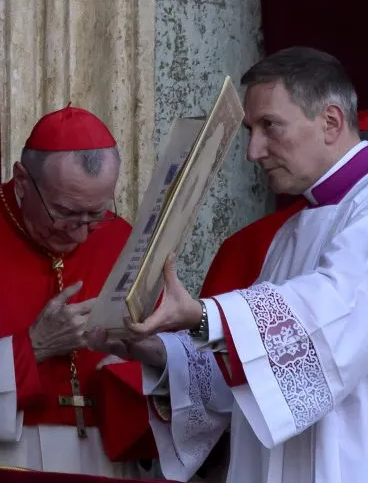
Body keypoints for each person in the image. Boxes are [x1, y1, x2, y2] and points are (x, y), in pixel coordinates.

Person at [112, 47, 368, 483]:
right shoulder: (293, 230)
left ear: (330, 122)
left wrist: (202, 313)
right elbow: (265, 370)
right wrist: (151, 347)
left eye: (270, 126)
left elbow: (330, 317)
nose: (253, 151)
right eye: (251, 129)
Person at [0, 106, 154, 477]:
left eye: (95, 214)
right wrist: (35, 346)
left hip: (105, 459)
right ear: (22, 181)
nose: (80, 232)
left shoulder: (125, 241)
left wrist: (133, 364)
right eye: (64, 213)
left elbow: (168, 374)